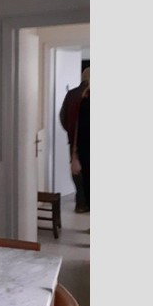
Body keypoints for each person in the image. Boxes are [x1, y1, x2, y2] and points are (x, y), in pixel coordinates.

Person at [59, 67, 90, 212]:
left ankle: (81, 203)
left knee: (77, 172)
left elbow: (62, 116)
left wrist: (70, 133)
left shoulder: (71, 94)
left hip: (75, 142)